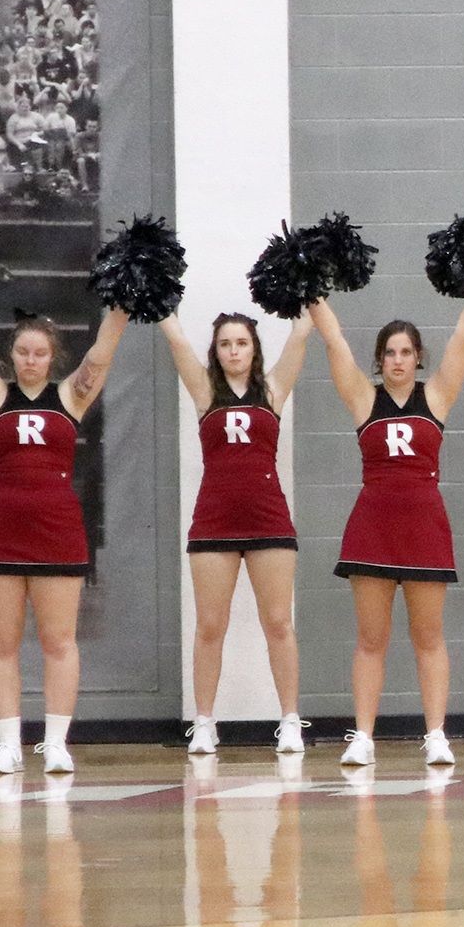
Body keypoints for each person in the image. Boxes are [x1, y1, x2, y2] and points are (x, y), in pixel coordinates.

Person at [0, 303, 131, 774]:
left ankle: (55, 743)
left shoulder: (71, 397)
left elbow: (102, 354)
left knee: (58, 640)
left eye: (40, 353)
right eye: (23, 351)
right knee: (2, 641)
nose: (30, 360)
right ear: (11, 354)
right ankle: (8, 744)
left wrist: (123, 306)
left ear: (52, 358)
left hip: (57, 528)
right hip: (0, 528)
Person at [309, 295, 464, 768]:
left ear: (418, 358)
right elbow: (333, 341)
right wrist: (310, 292)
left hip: (426, 527)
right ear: (379, 359)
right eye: (389, 352)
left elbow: (463, 336)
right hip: (372, 526)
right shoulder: (363, 398)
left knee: (428, 636)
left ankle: (436, 735)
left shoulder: (438, 396)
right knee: (371, 639)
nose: (398, 360)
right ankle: (363, 737)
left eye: (406, 352)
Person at [159, 311, 313, 756]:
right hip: (214, 520)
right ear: (216, 350)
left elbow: (301, 337)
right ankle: (204, 723)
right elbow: (177, 342)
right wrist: (161, 300)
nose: (233, 351)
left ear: (254, 347)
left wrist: (309, 291)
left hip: (268, 519)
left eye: (241, 343)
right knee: (210, 626)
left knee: (279, 623)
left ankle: (289, 721)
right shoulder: (206, 390)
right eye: (225, 344)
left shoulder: (272, 389)